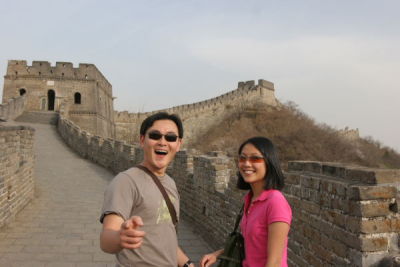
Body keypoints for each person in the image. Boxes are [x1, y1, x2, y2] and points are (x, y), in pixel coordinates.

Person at [100, 112, 194, 267]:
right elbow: (106, 238)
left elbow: (163, 238)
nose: (162, 142)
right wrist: (119, 238)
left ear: (178, 145)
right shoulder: (126, 181)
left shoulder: (170, 183)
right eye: (155, 136)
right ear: (142, 140)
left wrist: (187, 263)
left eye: (170, 137)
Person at [200, 137, 292, 267]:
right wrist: (217, 254)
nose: (247, 164)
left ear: (269, 162)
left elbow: (275, 262)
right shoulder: (251, 199)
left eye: (255, 158)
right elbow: (250, 244)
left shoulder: (275, 202)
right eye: (242, 158)